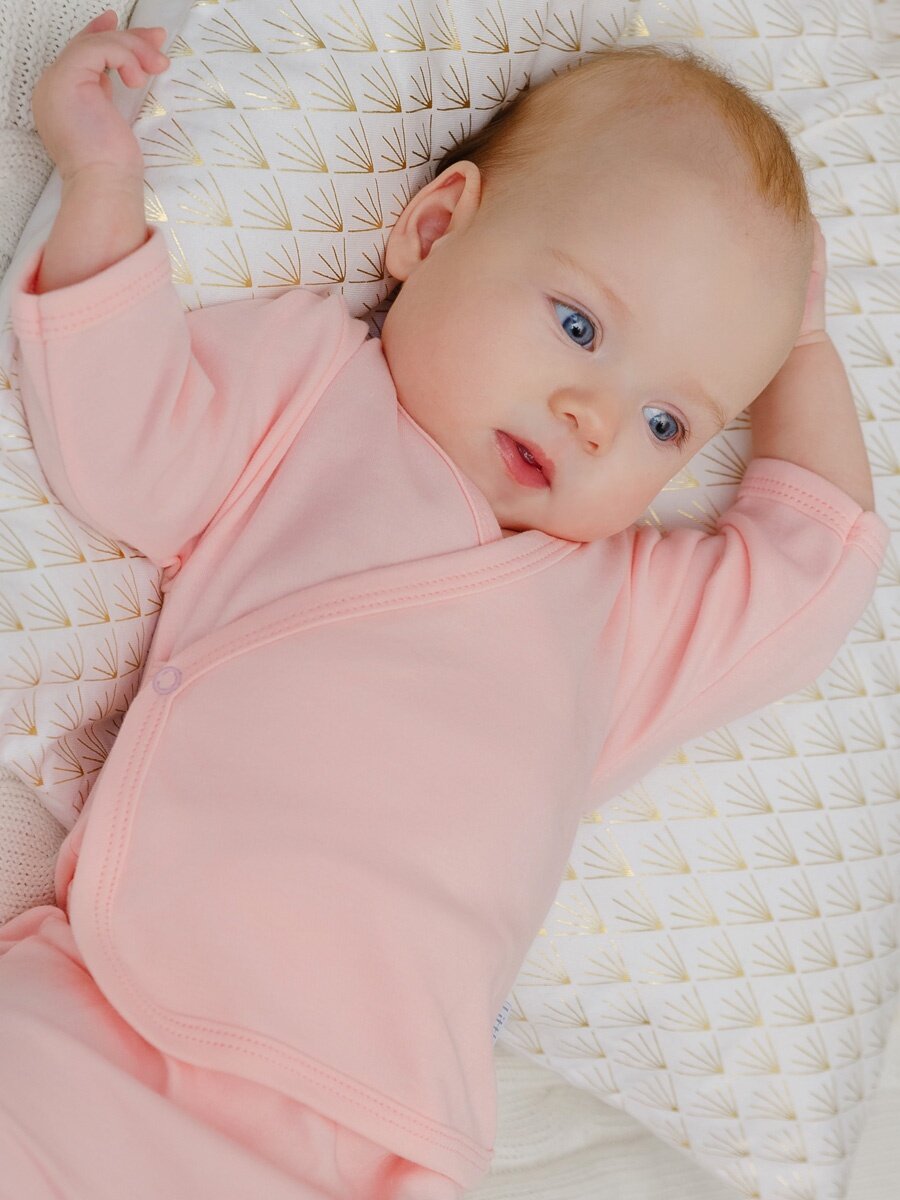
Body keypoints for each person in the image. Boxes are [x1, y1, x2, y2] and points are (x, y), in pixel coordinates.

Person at [0, 8, 888, 1199]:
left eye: (666, 422)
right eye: (578, 326)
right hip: (111, 1014)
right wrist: (103, 180)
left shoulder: (620, 619)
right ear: (432, 229)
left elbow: (812, 566)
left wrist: (808, 349)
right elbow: (129, 440)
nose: (595, 418)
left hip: (375, 1133)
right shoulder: (310, 393)